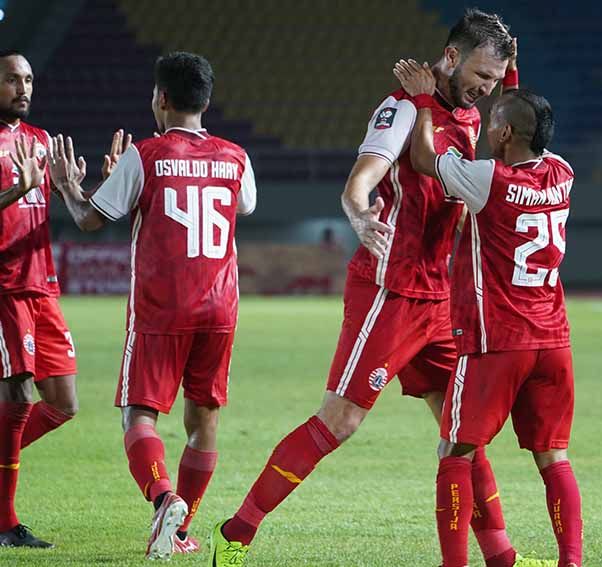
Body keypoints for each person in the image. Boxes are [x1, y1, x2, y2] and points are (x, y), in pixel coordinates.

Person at [209, 11, 550, 567]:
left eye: (495, 81)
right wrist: (358, 213)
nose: (487, 90)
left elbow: (510, 93)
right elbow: (363, 177)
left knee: (463, 432)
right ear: (450, 57)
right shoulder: (400, 109)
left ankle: (502, 557)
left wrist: (509, 64)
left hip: (441, 298)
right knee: (338, 422)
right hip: (390, 291)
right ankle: (236, 534)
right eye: (481, 77)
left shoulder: (467, 108)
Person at [48, 52, 257, 560]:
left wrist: (70, 189)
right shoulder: (237, 156)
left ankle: (165, 501)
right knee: (203, 422)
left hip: (164, 309)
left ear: (161, 99)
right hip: (220, 309)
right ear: (205, 101)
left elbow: (92, 219)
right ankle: (179, 532)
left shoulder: (145, 154)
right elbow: (243, 206)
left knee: (139, 418)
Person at [394, 58, 582, 567]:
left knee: (455, 453)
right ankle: (572, 562)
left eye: (496, 120)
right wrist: (515, 82)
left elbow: (425, 159)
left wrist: (422, 101)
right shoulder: (562, 172)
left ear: (502, 133)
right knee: (554, 460)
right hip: (553, 343)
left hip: (496, 342)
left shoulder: (486, 180)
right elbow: (528, 127)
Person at [0, 50, 82, 549]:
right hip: (5, 286)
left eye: (28, 79)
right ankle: (5, 522)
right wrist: (15, 191)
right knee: (18, 397)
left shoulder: (38, 141)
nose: (23, 88)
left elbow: (71, 207)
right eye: (11, 79)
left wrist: (76, 189)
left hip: (43, 285)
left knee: (64, 402)